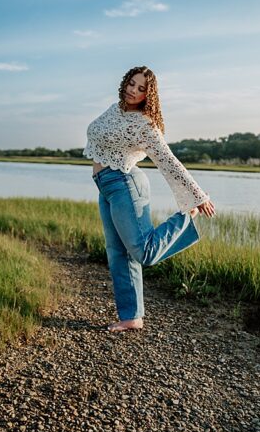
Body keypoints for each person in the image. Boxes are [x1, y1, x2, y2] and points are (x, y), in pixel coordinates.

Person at [84, 65, 216, 333]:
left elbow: (168, 161)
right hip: (105, 186)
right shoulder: (115, 109)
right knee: (117, 253)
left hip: (125, 184)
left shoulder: (145, 125)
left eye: (141, 88)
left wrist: (195, 196)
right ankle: (132, 317)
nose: (134, 90)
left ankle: (185, 219)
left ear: (149, 95)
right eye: (132, 83)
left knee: (143, 252)